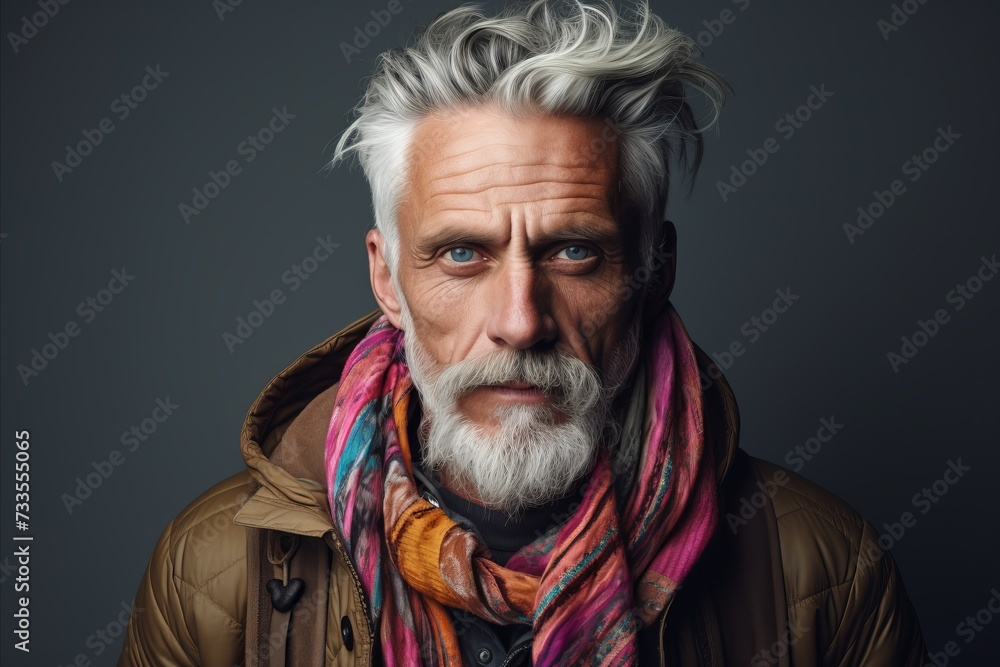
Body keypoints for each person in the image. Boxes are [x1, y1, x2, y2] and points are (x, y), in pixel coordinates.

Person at [119, 1, 928, 665]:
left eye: (575, 251)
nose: (519, 322)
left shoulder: (821, 573)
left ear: (654, 271)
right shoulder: (216, 573)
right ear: (387, 279)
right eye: (462, 253)